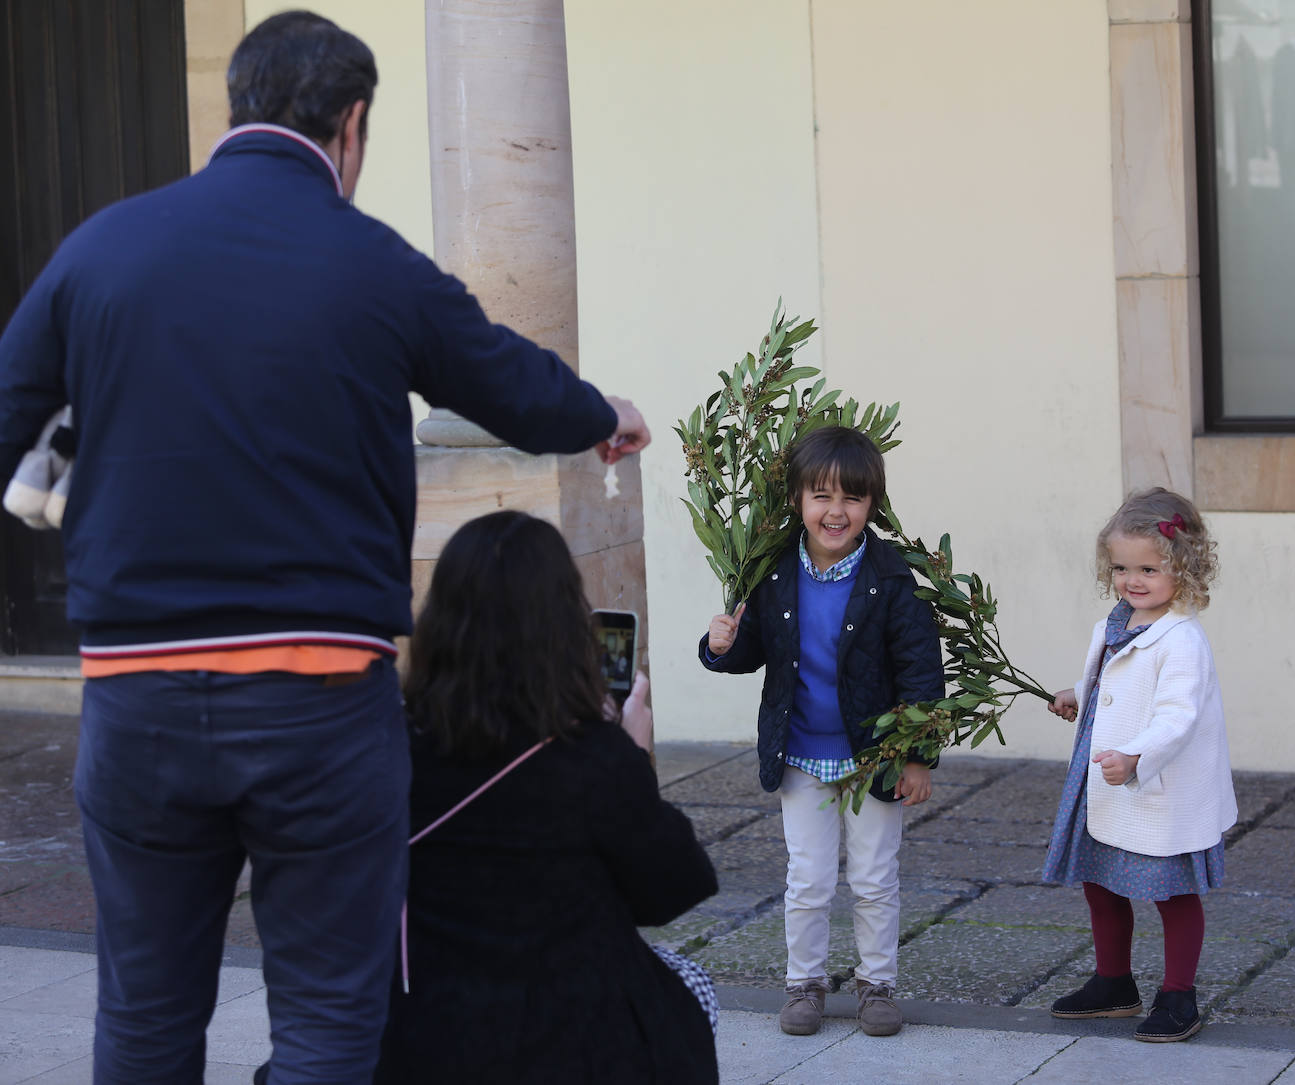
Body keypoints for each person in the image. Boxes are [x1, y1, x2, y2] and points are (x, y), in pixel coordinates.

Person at [0, 11, 649, 1083]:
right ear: (351, 124)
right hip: (317, 706)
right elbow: (508, 384)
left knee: (147, 1020)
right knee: (326, 1025)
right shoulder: (371, 262)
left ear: (232, 109)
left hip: (139, 696)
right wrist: (599, 409)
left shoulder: (102, 247)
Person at [373, 511, 719, 1084]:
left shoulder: (391, 747)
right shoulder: (595, 757)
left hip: (426, 1029)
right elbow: (671, 892)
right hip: (576, 1039)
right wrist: (631, 754)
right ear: (564, 625)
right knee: (694, 987)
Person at [699, 425, 943, 1037]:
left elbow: (921, 671)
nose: (836, 511)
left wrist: (916, 757)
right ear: (797, 500)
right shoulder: (775, 571)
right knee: (807, 879)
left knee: (873, 877)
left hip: (873, 759)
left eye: (853, 499)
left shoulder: (890, 578)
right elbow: (749, 648)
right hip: (802, 755)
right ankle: (804, 983)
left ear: (872, 505)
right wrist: (718, 645)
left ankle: (876, 983)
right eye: (822, 496)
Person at [1042, 488, 1236, 1043]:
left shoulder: (1183, 642)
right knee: (1100, 883)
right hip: (1106, 778)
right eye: (1123, 567)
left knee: (1172, 891)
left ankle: (1179, 994)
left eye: (1150, 568)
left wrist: (1136, 756)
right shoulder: (1116, 623)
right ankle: (1113, 982)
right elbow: (1110, 679)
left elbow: (1178, 716)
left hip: (1156, 786)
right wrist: (1077, 692)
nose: (1134, 580)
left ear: (1187, 567)